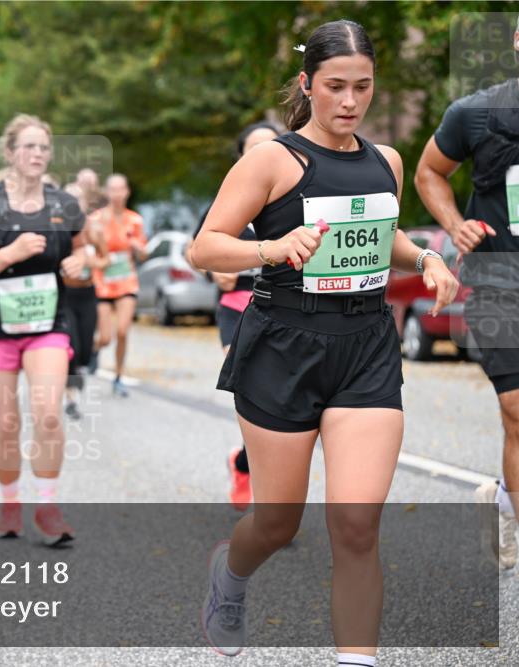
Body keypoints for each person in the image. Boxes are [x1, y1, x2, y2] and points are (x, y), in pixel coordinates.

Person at [189, 20, 458, 663]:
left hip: (365, 345)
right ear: (308, 84)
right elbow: (205, 246)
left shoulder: (385, 161)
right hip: (284, 344)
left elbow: (379, 233)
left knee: (357, 527)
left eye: (362, 87)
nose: (349, 101)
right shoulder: (272, 160)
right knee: (278, 524)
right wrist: (270, 247)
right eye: (335, 86)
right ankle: (232, 570)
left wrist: (423, 258)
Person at [0, 114, 87, 545]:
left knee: (47, 414)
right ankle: (10, 502)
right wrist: (10, 252)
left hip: (50, 322)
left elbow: (86, 254)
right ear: (10, 153)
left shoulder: (63, 205)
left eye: (43, 148)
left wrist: (80, 264)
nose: (37, 154)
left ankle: (47, 508)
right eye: (28, 147)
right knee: (6, 423)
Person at [414, 17, 519, 570]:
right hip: (501, 281)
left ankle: (501, 499)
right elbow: (430, 172)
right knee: (517, 408)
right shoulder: (475, 113)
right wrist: (455, 224)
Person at [187, 121, 281, 511]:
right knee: (252, 389)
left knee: (278, 402)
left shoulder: (296, 199)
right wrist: (213, 271)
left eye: (270, 149)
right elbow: (195, 252)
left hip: (283, 309)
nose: (262, 157)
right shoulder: (228, 201)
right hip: (236, 307)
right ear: (240, 157)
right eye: (253, 150)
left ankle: (243, 463)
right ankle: (266, 494)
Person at [92, 173, 148, 397]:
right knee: (105, 337)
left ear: (127, 192)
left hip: (126, 282)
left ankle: (118, 376)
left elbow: (144, 253)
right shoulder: (96, 219)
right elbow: (87, 250)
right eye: (112, 189)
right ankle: (94, 351)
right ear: (107, 193)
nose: (116, 194)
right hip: (103, 283)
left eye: (120, 189)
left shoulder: (135, 220)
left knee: (123, 331)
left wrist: (138, 248)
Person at [61, 182, 109, 420]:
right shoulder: (57, 228)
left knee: (85, 349)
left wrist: (91, 263)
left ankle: (76, 375)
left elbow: (106, 260)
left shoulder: (94, 229)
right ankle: (70, 397)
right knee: (72, 345)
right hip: (65, 295)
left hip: (87, 294)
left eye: (77, 199)